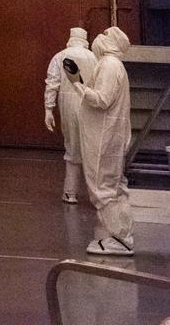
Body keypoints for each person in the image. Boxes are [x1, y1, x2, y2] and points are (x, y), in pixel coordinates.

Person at [65, 25, 134, 256]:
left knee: (104, 188)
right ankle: (120, 234)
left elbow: (102, 100)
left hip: (104, 138)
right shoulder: (113, 65)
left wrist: (76, 83)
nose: (99, 38)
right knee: (115, 187)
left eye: (105, 35)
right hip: (110, 136)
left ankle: (120, 240)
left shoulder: (109, 65)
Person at [44, 26, 98, 202]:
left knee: (72, 146)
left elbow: (52, 83)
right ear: (85, 39)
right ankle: (96, 194)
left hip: (68, 103)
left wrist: (48, 109)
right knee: (91, 147)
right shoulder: (94, 57)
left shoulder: (60, 56)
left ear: (70, 38)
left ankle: (70, 192)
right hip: (90, 103)